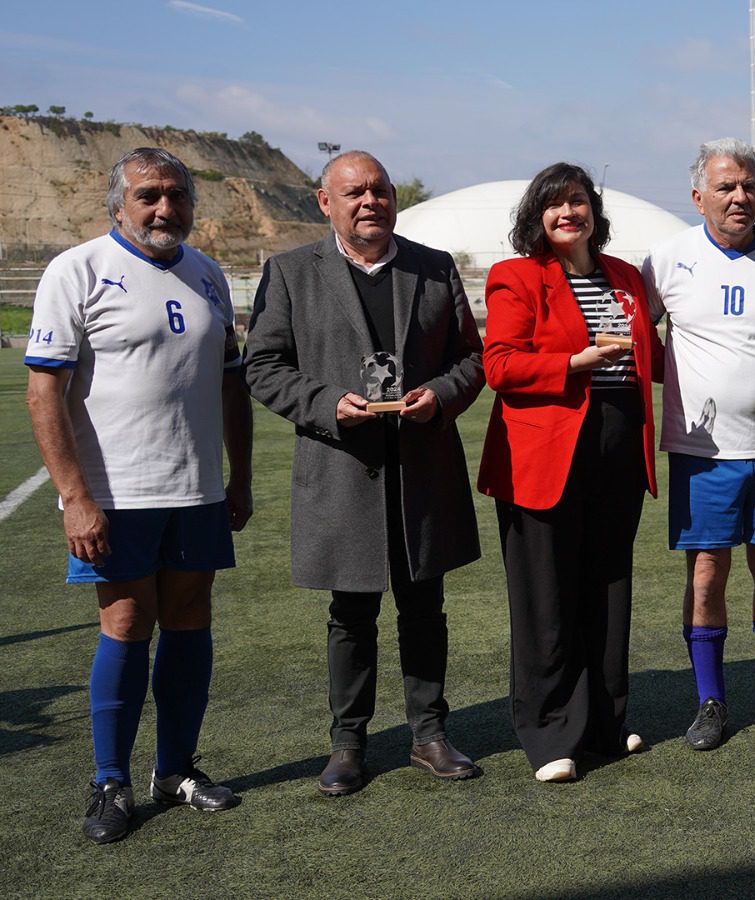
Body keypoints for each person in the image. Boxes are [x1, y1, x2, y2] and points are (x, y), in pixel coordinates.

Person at [24, 148, 253, 843]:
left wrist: (239, 477)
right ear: (117, 204)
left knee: (190, 617)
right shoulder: (78, 270)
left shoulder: (207, 273)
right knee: (126, 622)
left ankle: (175, 769)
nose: (164, 209)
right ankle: (110, 781)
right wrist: (74, 497)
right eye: (149, 195)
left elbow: (230, 384)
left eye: (177, 195)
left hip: (197, 489)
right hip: (115, 496)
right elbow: (45, 390)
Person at [245, 150, 485, 794]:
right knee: (350, 613)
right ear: (325, 202)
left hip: (421, 470)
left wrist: (440, 395)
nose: (369, 201)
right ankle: (348, 744)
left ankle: (429, 734)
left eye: (379, 190)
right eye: (353, 192)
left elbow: (472, 358)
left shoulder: (433, 268)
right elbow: (262, 367)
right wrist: (326, 404)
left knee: (424, 606)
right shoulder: (291, 272)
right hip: (341, 468)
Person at [641, 138, 755, 751]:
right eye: (726, 187)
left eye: (748, 185)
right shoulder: (666, 261)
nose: (740, 196)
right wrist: (690, 381)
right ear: (699, 197)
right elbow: (635, 343)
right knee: (705, 578)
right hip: (703, 458)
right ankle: (710, 703)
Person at [477, 163, 661, 781]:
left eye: (577, 202)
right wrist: (576, 360)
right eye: (554, 205)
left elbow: (653, 357)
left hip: (616, 447)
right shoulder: (516, 276)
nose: (568, 213)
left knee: (607, 588)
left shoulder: (627, 278)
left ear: (594, 211)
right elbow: (500, 366)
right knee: (546, 598)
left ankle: (606, 724)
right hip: (544, 452)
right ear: (537, 215)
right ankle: (551, 734)